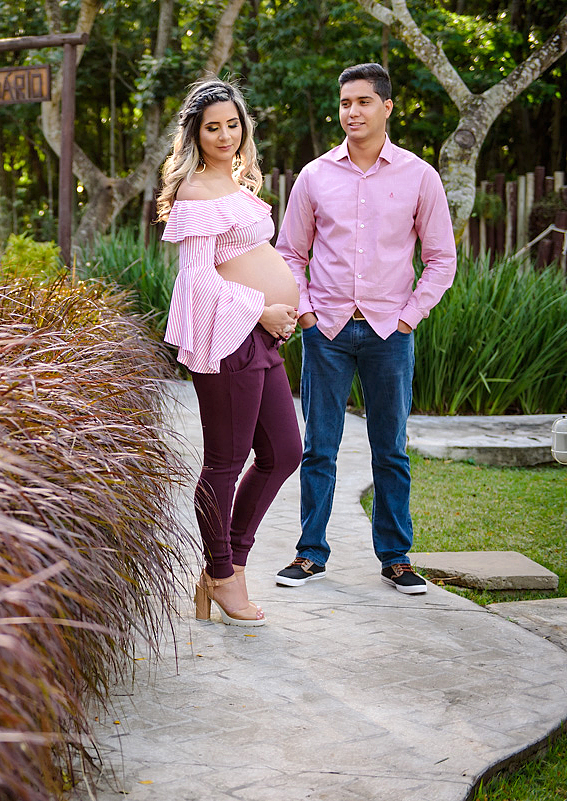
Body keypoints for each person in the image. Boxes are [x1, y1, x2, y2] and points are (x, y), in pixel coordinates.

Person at [274, 63, 456, 594]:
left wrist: (408, 316)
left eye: (363, 102)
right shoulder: (314, 175)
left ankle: (396, 558)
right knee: (319, 448)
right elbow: (290, 254)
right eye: (346, 103)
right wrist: (305, 312)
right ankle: (310, 554)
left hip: (389, 334)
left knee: (391, 449)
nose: (352, 112)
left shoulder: (420, 176)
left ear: (387, 108)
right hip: (325, 332)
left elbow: (441, 259)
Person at [158, 79, 302, 627]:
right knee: (225, 461)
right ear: (196, 132)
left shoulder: (236, 184)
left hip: (262, 336)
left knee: (285, 451)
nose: (224, 135)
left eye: (232, 124)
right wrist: (259, 309)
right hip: (228, 335)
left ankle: (229, 567)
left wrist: (290, 309)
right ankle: (222, 574)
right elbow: (196, 278)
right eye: (212, 126)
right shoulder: (196, 191)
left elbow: (257, 254)